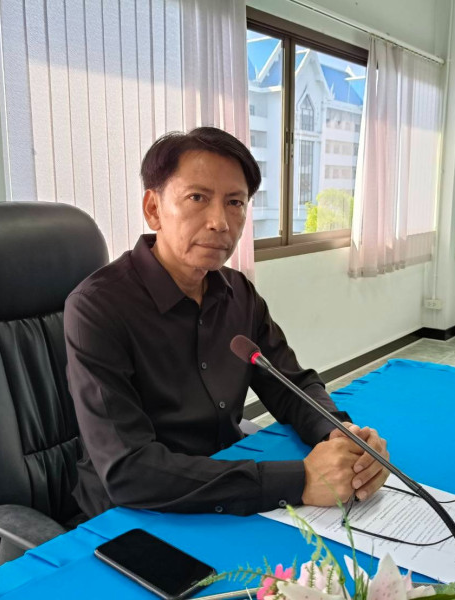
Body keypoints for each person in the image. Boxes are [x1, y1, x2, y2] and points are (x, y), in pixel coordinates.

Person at [64, 127, 389, 518]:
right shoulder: (97, 308)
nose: (220, 221)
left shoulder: (238, 292)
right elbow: (129, 471)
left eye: (235, 202)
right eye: (197, 198)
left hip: (228, 485)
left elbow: (291, 385)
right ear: (153, 209)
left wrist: (339, 434)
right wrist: (299, 480)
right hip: (134, 514)